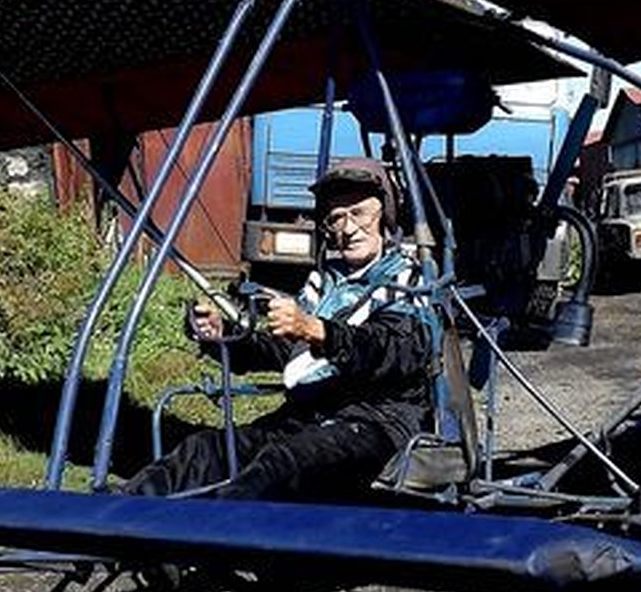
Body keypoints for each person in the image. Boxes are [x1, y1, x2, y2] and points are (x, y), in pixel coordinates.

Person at [120, 157, 435, 501]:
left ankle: (209, 537)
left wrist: (317, 330)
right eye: (335, 218)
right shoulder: (325, 284)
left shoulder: (407, 279)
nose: (347, 228)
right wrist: (221, 333)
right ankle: (115, 524)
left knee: (279, 465)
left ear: (385, 215)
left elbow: (396, 351)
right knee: (206, 450)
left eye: (358, 213)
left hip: (376, 422)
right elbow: (281, 350)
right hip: (307, 418)